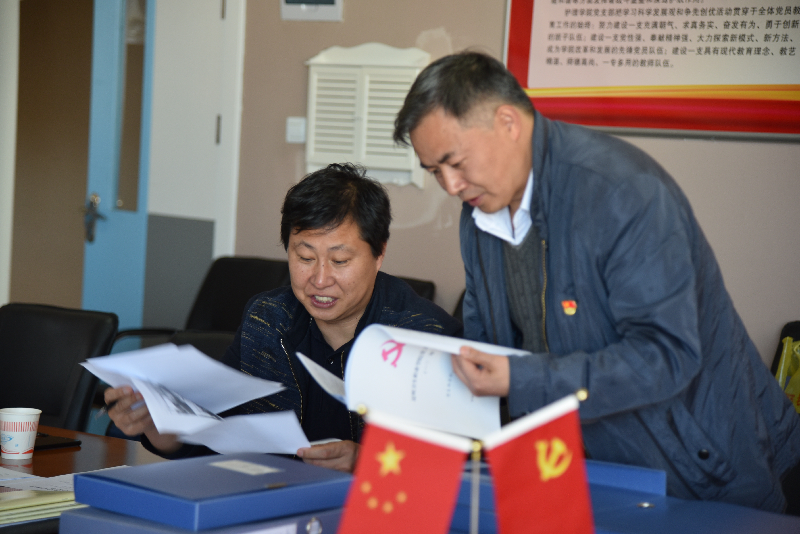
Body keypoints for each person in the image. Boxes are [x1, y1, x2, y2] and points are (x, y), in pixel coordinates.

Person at [393, 51, 800, 512]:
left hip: (705, 467)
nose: (450, 185)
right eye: (435, 172)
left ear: (507, 122)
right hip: (588, 470)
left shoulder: (621, 192)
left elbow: (667, 355)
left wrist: (520, 379)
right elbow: (488, 342)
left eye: (456, 162)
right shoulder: (479, 213)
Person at [105, 163, 462, 473]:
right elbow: (214, 436)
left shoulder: (424, 339)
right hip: (270, 501)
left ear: (379, 253)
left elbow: (458, 468)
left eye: (339, 261)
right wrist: (158, 425)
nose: (320, 279)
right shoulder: (268, 319)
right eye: (305, 258)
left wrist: (366, 461)